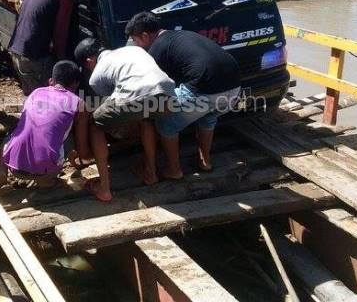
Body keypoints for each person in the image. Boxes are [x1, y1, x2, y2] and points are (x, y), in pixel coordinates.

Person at [126, 12, 241, 176]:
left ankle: (174, 170)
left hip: (205, 92)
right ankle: (205, 161)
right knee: (207, 116)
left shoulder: (157, 49)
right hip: (235, 89)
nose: (136, 45)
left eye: (135, 40)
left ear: (145, 35)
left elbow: (153, 86)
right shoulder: (180, 34)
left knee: (166, 124)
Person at [75, 38, 176, 202]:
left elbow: (115, 106)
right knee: (146, 119)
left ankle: (104, 188)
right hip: (169, 97)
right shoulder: (133, 50)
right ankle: (151, 172)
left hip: (138, 98)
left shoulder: (96, 77)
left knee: (96, 124)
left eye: (87, 66)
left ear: (89, 60)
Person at [0, 60, 88, 189]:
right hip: (43, 169)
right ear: (76, 84)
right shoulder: (78, 103)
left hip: (13, 165)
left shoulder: (36, 93)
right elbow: (81, 143)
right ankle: (46, 181)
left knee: (12, 135)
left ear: (51, 81)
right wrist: (84, 158)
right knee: (71, 135)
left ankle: (2, 171)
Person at [8, 0, 83, 95]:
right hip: (34, 57)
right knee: (49, 100)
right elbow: (60, 33)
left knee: (33, 98)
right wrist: (62, 62)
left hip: (17, 50)